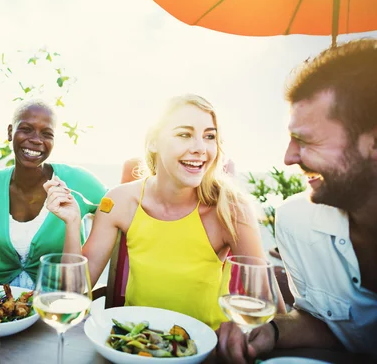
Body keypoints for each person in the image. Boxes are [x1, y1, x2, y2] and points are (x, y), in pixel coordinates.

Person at [45, 94, 285, 330]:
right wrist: (73, 223)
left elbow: (271, 308)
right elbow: (73, 293)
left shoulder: (230, 208)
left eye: (209, 136)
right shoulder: (120, 201)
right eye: (184, 134)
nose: (201, 148)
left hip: (206, 350)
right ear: (153, 142)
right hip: (133, 345)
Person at [216, 39, 377, 362]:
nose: (289, 157)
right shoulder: (297, 223)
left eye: (307, 140)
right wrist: (274, 329)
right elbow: (327, 325)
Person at [0, 99, 106, 288]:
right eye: (26, 129)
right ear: (10, 132)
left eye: (46, 134)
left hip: (53, 305)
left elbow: (115, 206)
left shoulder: (77, 182)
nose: (36, 139)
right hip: (3, 304)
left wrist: (91, 250)